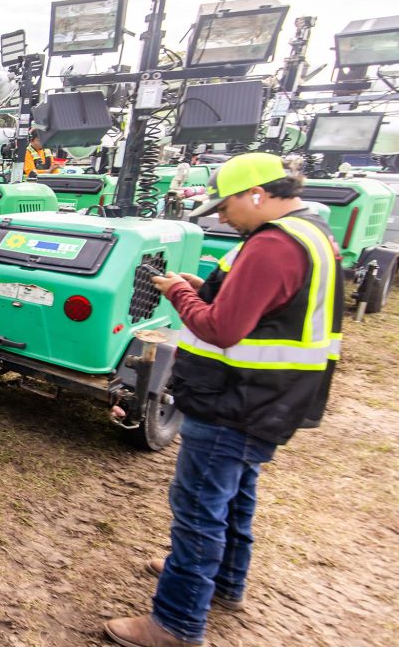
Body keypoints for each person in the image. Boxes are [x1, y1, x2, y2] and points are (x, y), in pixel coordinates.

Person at [104, 152, 343, 647]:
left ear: (257, 195)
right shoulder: (311, 233)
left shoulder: (273, 246)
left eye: (226, 206)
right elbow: (267, 310)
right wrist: (206, 287)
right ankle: (228, 584)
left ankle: (175, 623)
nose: (221, 217)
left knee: (197, 510)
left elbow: (223, 327)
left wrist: (178, 295)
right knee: (235, 496)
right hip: (271, 397)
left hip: (237, 399)